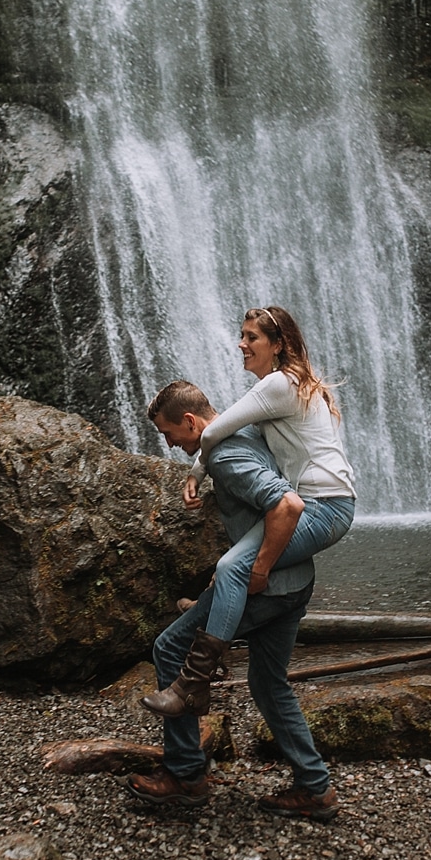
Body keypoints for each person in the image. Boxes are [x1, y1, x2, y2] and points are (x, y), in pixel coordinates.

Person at [127, 379, 339, 821]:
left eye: (168, 434)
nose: (168, 444)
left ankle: (185, 776)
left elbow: (286, 504)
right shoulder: (243, 432)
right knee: (268, 683)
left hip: (264, 588)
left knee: (169, 647)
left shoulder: (226, 455)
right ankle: (314, 788)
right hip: (296, 584)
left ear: (190, 421)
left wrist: (254, 571)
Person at [143, 305, 356, 719]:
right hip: (328, 503)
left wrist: (196, 473)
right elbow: (221, 431)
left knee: (235, 569)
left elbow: (214, 430)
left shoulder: (278, 384)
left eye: (251, 337)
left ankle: (192, 684)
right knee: (234, 580)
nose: (241, 344)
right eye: (242, 335)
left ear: (278, 345)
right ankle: (214, 608)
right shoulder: (288, 387)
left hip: (324, 506)